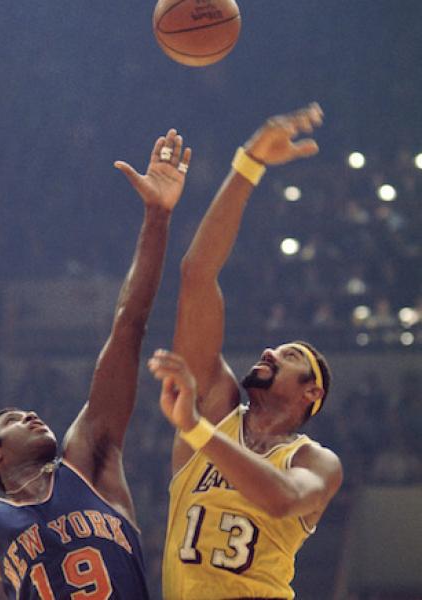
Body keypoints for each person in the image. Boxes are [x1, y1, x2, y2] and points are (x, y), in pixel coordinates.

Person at [0, 128, 192, 600]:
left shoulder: (91, 460)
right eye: (14, 420)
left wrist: (158, 216)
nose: (31, 415)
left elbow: (128, 326)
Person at [147, 103, 343, 600]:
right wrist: (249, 163)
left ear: (311, 393)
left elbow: (280, 500)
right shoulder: (215, 402)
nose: (272, 352)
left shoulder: (316, 462)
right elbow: (198, 274)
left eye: (291, 356)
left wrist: (194, 427)